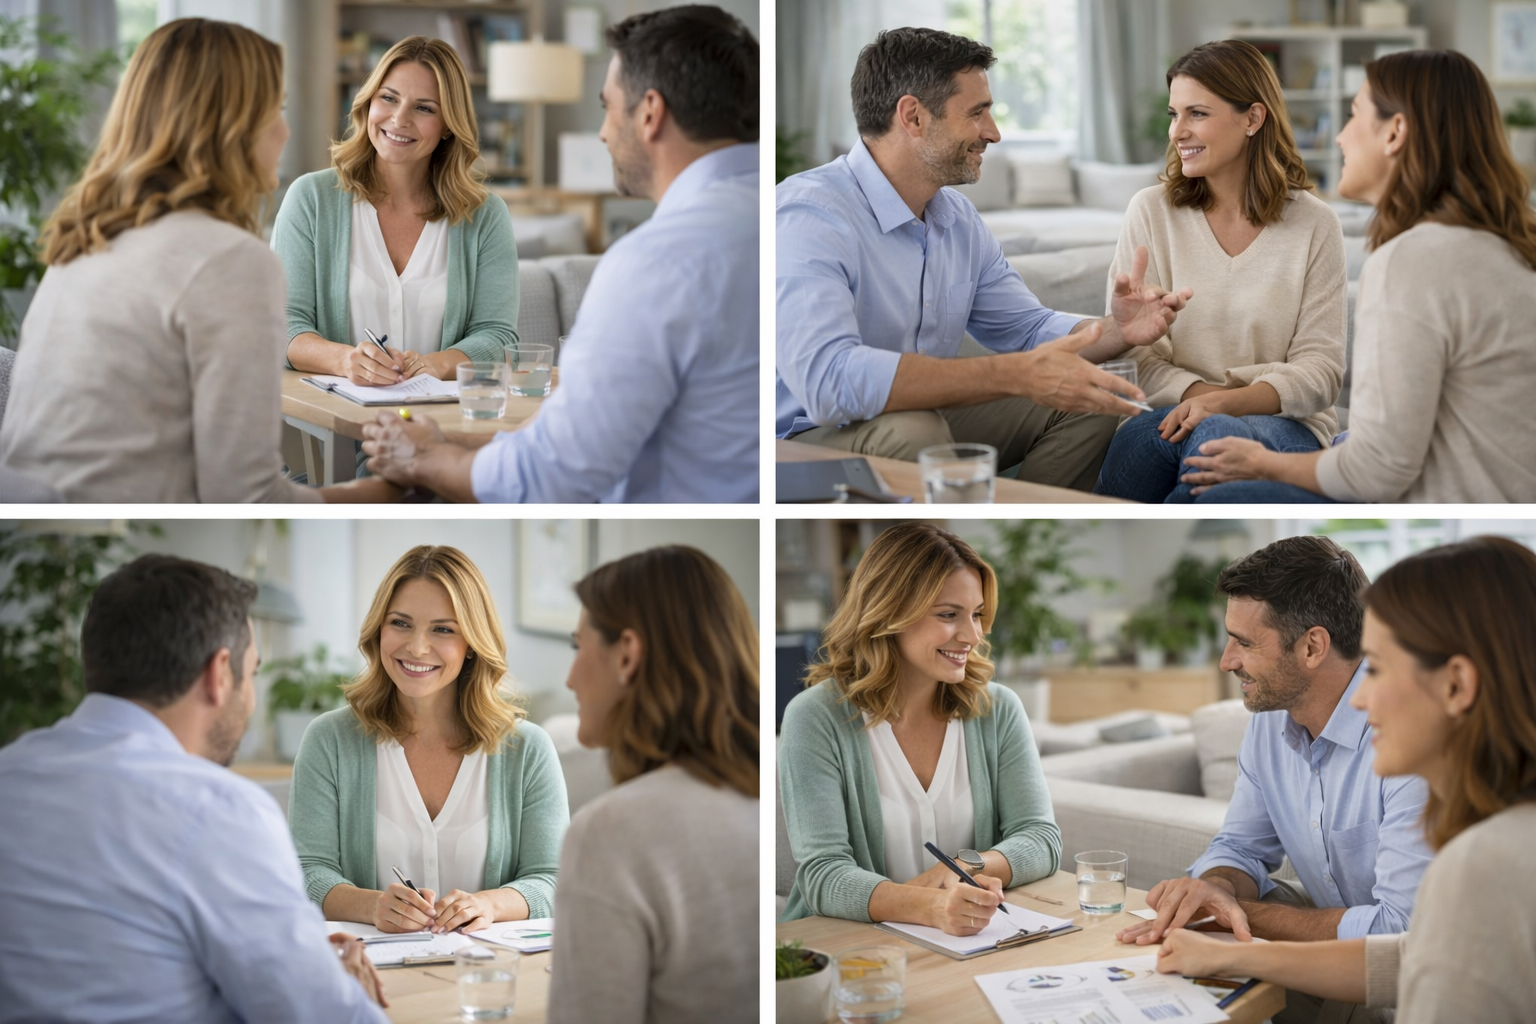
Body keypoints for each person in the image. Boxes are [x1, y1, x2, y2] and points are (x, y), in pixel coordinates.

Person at [355, 6, 758, 503]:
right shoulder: (776, 219)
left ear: (650, 113)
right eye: (388, 98)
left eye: (608, 107)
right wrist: (449, 444)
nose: (602, 133)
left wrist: (424, 460)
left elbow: (555, 473)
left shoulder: (656, 263)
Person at [776, 27, 1192, 491]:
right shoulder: (810, 214)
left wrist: (1117, 330)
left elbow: (1028, 329)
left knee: (1090, 395)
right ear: (913, 116)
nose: (993, 133)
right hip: (799, 442)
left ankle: (1023, 524)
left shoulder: (957, 218)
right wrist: (1013, 376)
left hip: (918, 418)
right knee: (916, 431)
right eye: (977, 113)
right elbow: (828, 381)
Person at [0, 19, 392, 503]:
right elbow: (247, 498)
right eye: (275, 110)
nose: (285, 131)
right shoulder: (230, 262)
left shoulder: (87, 239)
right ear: (228, 127)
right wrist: (391, 489)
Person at [1156, 536, 1536, 1023]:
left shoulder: (1483, 858)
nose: (1359, 698)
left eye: (1378, 668)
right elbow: (1411, 955)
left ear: (1457, 686)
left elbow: (1406, 943)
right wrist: (1230, 951)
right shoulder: (1495, 831)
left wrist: (1235, 916)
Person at [0, 554, 388, 1023]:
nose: (251, 698)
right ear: (219, 673)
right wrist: (336, 985)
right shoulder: (218, 811)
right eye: (252, 673)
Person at [1179, 49, 1536, 502]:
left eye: (1353, 115)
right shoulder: (1510, 247)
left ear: (1395, 132)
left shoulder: (1414, 262)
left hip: (1452, 498)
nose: (1341, 137)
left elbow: (1376, 471)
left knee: (1223, 494)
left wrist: (1258, 462)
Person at [1118, 536, 1432, 1024]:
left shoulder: (1410, 733)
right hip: (1345, 951)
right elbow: (1240, 846)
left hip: (1418, 980)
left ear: (1312, 646)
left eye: (1244, 642)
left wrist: (1230, 910)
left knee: (1240, 916)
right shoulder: (1271, 721)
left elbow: (1400, 936)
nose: (1226, 661)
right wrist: (1215, 887)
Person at [1093, 40, 1347, 503]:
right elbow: (1135, 358)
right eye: (1174, 114)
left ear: (1253, 118)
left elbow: (1321, 370)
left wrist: (1224, 404)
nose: (1177, 132)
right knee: (1211, 436)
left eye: (1197, 113)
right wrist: (1202, 401)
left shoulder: (1315, 224)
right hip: (1161, 419)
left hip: (1285, 426)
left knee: (1216, 436)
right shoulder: (1151, 211)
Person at [779, 522, 1060, 933]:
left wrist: (964, 867)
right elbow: (824, 875)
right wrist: (931, 906)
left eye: (977, 614)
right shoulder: (815, 717)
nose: (973, 635)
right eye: (948, 615)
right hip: (850, 946)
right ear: (889, 612)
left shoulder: (998, 709)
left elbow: (1040, 838)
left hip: (968, 941)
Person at [288, 546, 567, 933]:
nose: (417, 647)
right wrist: (373, 906)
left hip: (489, 967)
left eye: (443, 629)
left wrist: (489, 905)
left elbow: (553, 878)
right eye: (400, 623)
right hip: (368, 966)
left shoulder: (528, 750)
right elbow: (305, 871)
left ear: (472, 643)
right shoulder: (329, 741)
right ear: (379, 630)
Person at [548, 546, 758, 1024]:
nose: (570, 679)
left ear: (627, 654)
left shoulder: (610, 832)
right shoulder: (761, 790)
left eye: (579, 648)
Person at [272, 36, 516, 388]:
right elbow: (281, 325)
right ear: (368, 102)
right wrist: (345, 360)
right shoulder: (310, 200)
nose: (399, 119)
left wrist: (434, 365)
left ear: (449, 125)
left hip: (444, 417)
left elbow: (498, 337)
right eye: (388, 98)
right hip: (337, 418)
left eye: (424, 108)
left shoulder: (486, 216)